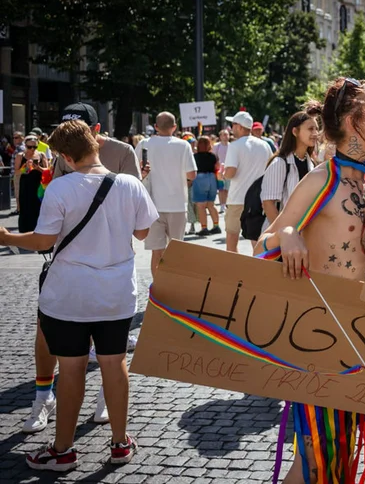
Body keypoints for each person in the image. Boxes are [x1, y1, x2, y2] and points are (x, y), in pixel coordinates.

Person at [257, 78, 365, 484]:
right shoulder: (323, 179)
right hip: (321, 336)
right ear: (355, 122)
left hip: (364, 334)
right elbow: (262, 244)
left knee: (342, 447)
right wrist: (287, 236)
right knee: (316, 456)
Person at [0, 120, 158, 471]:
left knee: (70, 371)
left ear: (66, 156)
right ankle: (120, 442)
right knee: (115, 364)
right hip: (116, 291)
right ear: (95, 145)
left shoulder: (60, 188)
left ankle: (63, 450)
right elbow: (143, 230)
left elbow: (43, 242)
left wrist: (8, 238)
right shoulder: (130, 183)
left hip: (69, 294)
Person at [27, 103, 146, 433]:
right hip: (69, 264)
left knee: (96, 360)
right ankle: (43, 397)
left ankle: (73, 435)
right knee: (49, 335)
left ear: (95, 132)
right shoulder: (61, 158)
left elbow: (134, 213)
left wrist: (9, 235)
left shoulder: (123, 153)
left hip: (100, 270)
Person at [143, 112, 197, 278]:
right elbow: (192, 174)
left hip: (151, 205)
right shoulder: (183, 145)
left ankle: (158, 287)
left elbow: (137, 170)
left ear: (156, 127)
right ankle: (175, 286)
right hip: (177, 204)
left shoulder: (145, 144)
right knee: (176, 252)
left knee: (156, 252)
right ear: (175, 127)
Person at [260, 109, 319, 229]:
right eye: (310, 129)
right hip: (280, 237)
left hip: (305, 233)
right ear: (295, 131)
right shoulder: (280, 163)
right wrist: (284, 233)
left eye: (316, 128)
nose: (315, 133)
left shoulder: (311, 163)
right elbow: (268, 204)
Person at [223, 110, 272, 252]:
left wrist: (222, 174)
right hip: (258, 198)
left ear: (239, 127)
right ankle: (257, 271)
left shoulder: (235, 146)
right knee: (256, 240)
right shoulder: (265, 145)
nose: (231, 128)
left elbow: (231, 173)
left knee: (232, 239)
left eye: (233, 125)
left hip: (237, 198)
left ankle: (234, 272)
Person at [15, 135, 49, 233]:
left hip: (38, 186)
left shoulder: (42, 155)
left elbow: (47, 170)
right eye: (30, 147)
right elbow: (16, 172)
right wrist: (25, 168)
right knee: (25, 207)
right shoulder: (20, 156)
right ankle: (24, 231)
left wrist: (38, 168)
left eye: (35, 147)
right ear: (25, 146)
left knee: (38, 207)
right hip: (25, 185)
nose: (32, 149)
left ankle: (38, 229)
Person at [192, 136, 221, 236]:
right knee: (211, 204)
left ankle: (204, 228)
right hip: (212, 178)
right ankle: (216, 225)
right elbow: (217, 167)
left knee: (201, 205)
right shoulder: (213, 156)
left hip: (200, 179)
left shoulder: (195, 157)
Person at [213, 129, 231, 213]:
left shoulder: (232, 146)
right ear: (220, 136)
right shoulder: (216, 146)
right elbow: (214, 158)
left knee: (227, 188)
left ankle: (226, 203)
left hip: (229, 169)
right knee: (221, 189)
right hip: (219, 171)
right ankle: (222, 205)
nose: (225, 136)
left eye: (227, 134)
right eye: (223, 135)